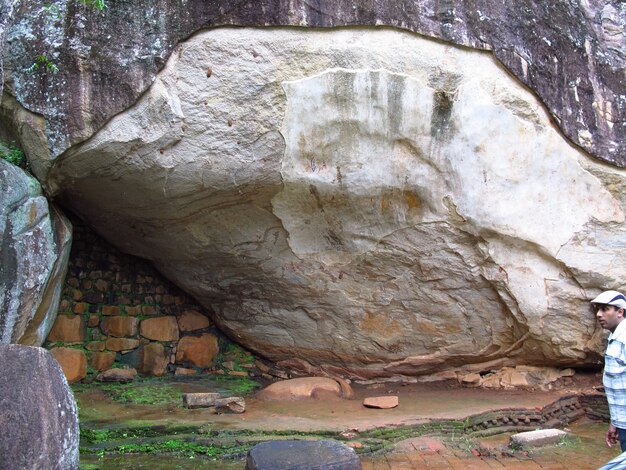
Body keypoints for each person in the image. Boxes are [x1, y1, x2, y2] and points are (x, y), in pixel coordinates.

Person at [593, 290, 626, 450]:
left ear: (620, 312)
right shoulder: (616, 338)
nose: (599, 314)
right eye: (598, 309)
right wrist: (616, 423)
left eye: (605, 309)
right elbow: (619, 387)